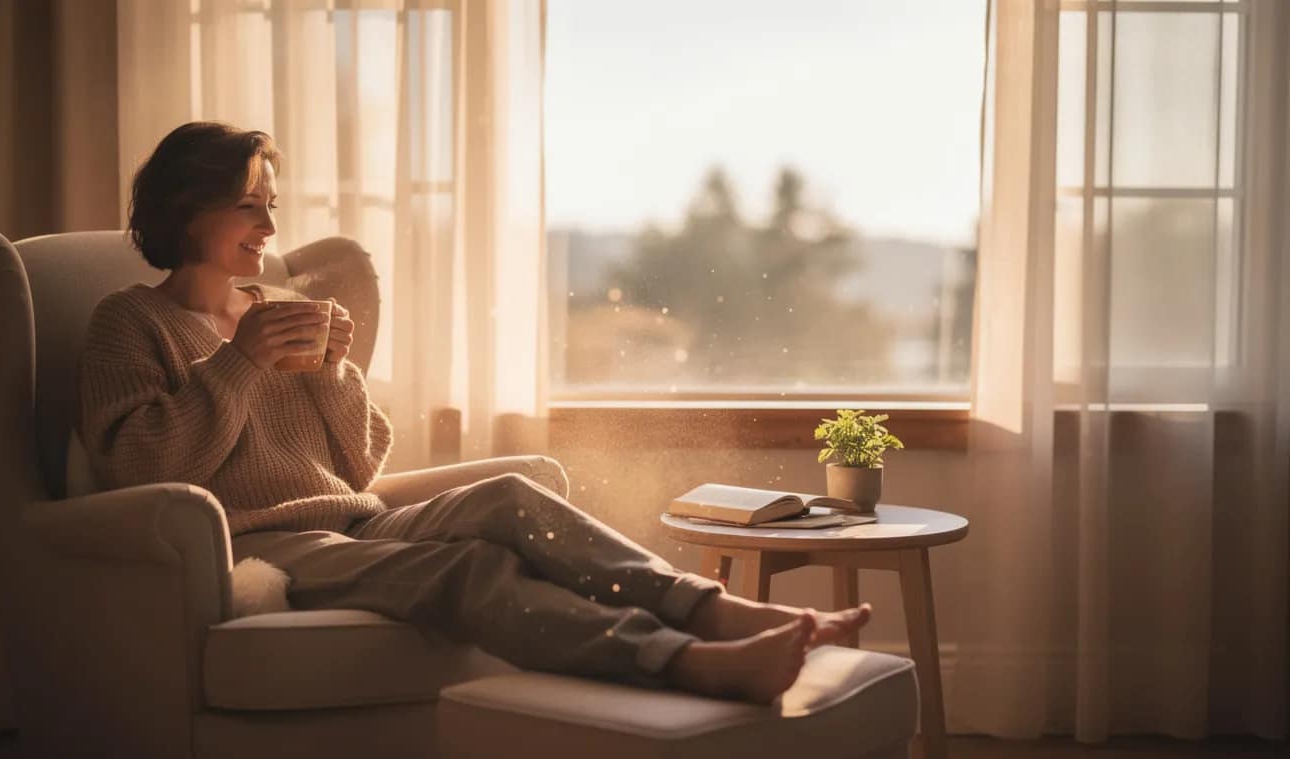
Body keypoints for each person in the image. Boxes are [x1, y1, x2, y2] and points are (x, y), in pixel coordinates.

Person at [78, 121, 872, 705]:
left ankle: (720, 613)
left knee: (512, 498)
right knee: (470, 569)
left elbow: (360, 468)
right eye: (251, 207)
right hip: (265, 545)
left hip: (353, 520)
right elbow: (139, 470)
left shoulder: (276, 307)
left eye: (271, 205)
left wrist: (337, 374)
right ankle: (682, 660)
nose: (272, 229)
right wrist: (241, 363)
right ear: (189, 210)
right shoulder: (130, 322)